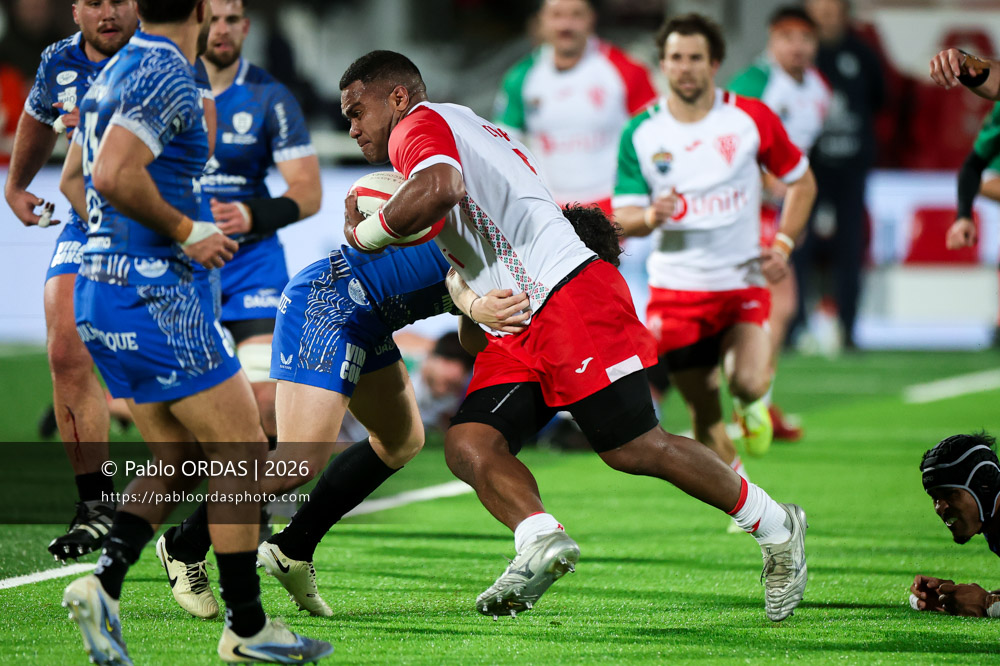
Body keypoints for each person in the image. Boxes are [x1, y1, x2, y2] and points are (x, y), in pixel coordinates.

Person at [333, 49, 808, 623]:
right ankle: (539, 539)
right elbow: (467, 254)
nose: (352, 127)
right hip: (518, 319)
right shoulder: (460, 127)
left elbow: (440, 188)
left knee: (634, 447)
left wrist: (367, 236)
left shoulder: (420, 126)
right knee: (469, 443)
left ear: (398, 98)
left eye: (358, 111)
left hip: (567, 295)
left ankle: (777, 526)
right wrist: (474, 303)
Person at [155, 205, 602, 620]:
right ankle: (183, 545)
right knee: (298, 461)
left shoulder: (515, 261)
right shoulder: (501, 238)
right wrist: (474, 305)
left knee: (402, 440)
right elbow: (455, 275)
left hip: (368, 318)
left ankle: (293, 547)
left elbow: (470, 339)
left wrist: (499, 326)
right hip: (328, 305)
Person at [57, 1, 331, 663]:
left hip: (102, 293)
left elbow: (72, 180)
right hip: (157, 299)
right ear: (205, 11)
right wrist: (187, 233)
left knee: (177, 464)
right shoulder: (174, 75)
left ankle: (105, 585)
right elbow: (110, 175)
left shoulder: (112, 70)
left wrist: (117, 247)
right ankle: (247, 626)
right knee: (243, 451)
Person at [614, 15, 817, 478]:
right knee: (704, 415)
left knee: (747, 380)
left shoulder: (749, 118)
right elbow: (623, 215)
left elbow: (802, 182)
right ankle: (751, 504)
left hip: (740, 281)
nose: (685, 68)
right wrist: (648, 217)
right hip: (677, 292)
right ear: (662, 64)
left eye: (695, 58)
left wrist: (783, 245)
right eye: (676, 58)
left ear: (715, 63)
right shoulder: (641, 133)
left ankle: (753, 402)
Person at [4, 0, 139, 563]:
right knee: (64, 344)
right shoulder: (58, 61)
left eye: (119, 0)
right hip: (90, 219)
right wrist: (16, 186)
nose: (107, 12)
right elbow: (38, 117)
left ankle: (229, 491)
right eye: (94, 2)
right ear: (75, 10)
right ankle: (96, 507)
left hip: (168, 221)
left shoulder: (166, 56)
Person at [198, 0, 322, 440]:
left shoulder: (271, 97)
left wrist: (250, 213)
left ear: (246, 27)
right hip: (183, 266)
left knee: (266, 399)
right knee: (189, 415)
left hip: (252, 268)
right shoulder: (164, 89)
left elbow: (308, 193)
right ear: (195, 21)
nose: (222, 30)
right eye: (212, 19)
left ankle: (259, 505)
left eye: (232, 20)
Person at [727, 6, 831, 441]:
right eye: (787, 36)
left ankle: (756, 405)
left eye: (805, 38)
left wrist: (796, 207)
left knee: (775, 308)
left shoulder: (819, 89)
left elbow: (801, 158)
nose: (797, 46)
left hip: (777, 208)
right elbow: (731, 143)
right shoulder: (755, 84)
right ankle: (750, 407)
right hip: (744, 207)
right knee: (773, 306)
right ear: (771, 39)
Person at [493, 0, 655, 213]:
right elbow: (501, 147)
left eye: (576, 15)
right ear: (541, 20)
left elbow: (656, 137)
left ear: (591, 19)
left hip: (617, 208)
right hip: (550, 211)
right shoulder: (520, 78)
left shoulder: (626, 70)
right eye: (557, 15)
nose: (565, 25)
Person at [795, 0, 884, 351]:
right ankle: (793, 328)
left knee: (851, 249)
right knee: (797, 247)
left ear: (845, 15)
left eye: (831, 12)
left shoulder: (863, 55)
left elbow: (880, 98)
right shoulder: (801, 59)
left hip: (850, 171)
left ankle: (848, 329)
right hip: (808, 173)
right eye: (819, 13)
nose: (825, 19)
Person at [911, 433, 1000, 617]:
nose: (939, 507)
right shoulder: (993, 526)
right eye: (935, 497)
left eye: (950, 493)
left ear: (984, 488)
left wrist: (987, 604)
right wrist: (950, 598)